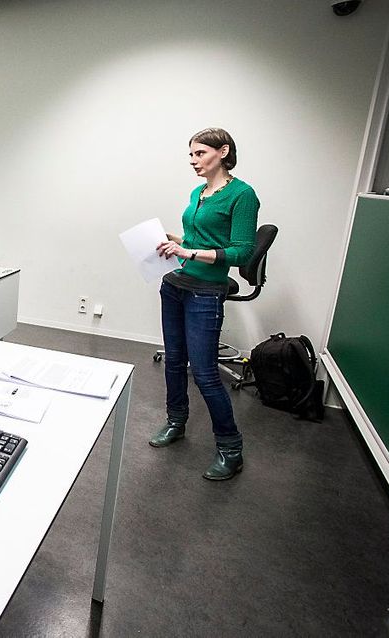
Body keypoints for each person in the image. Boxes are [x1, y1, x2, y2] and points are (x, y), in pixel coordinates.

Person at [150, 127, 259, 481]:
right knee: (174, 362)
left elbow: (243, 250)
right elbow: (200, 240)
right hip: (176, 285)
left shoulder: (243, 195)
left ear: (223, 151)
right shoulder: (199, 192)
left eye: (201, 154)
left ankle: (231, 450)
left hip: (206, 290)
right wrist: (175, 241)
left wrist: (189, 251)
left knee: (206, 373)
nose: (194, 161)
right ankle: (176, 422)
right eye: (192, 155)